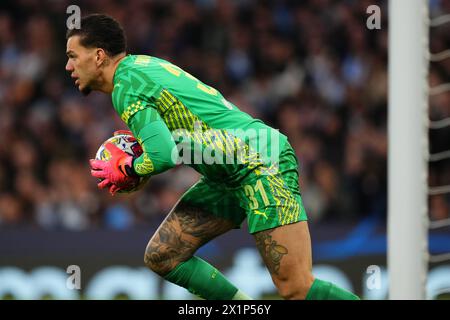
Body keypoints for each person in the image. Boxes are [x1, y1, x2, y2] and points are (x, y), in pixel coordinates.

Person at [65, 13, 359, 300]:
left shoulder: (126, 84)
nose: (68, 66)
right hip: (227, 171)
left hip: (258, 162)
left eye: (73, 56)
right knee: (163, 255)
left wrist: (129, 166)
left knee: (296, 289)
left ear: (99, 55)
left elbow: (162, 155)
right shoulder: (138, 68)